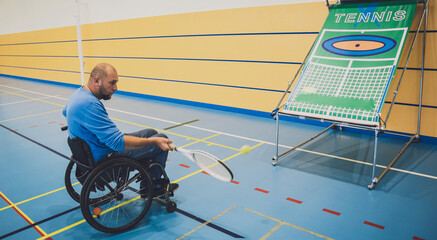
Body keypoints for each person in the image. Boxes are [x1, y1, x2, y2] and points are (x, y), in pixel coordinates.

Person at [63, 63, 178, 197]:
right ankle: (153, 187)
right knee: (158, 139)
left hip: (92, 152)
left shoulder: (79, 93)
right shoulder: (90, 104)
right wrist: (153, 142)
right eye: (112, 83)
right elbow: (117, 142)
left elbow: (65, 112)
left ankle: (150, 183)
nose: (115, 88)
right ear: (97, 80)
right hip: (106, 159)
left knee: (151, 132)